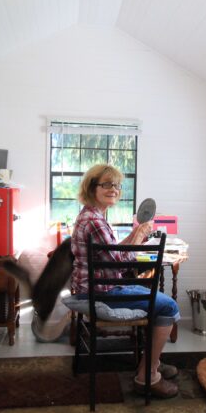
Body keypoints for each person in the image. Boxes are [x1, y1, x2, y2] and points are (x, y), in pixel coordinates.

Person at [70, 164, 181, 399]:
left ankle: (151, 362)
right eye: (106, 184)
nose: (114, 189)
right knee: (168, 306)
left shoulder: (92, 215)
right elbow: (120, 261)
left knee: (160, 304)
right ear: (92, 187)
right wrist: (140, 236)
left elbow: (115, 251)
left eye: (117, 185)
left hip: (98, 287)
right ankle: (147, 377)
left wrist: (137, 233)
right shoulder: (95, 222)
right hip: (100, 292)